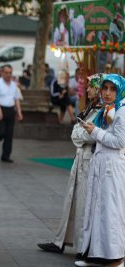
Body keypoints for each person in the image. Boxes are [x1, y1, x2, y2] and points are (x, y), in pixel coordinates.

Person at [37, 73, 105, 255]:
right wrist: (79, 134)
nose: (88, 89)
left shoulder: (103, 111)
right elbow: (77, 132)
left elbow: (88, 135)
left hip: (89, 162)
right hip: (80, 159)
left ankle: (83, 247)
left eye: (92, 86)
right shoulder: (91, 107)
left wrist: (80, 134)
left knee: (84, 205)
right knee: (72, 202)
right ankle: (61, 241)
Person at [75, 74, 125, 267]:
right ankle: (94, 254)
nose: (108, 93)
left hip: (112, 167)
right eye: (105, 88)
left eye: (113, 89)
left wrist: (94, 131)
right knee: (95, 209)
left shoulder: (121, 111)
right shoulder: (106, 110)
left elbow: (119, 141)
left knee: (111, 211)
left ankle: (116, 257)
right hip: (101, 164)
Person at [0, 64, 23, 163]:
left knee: (9, 135)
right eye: (6, 72)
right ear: (2, 72)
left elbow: (17, 99)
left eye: (10, 73)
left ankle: (6, 156)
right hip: (0, 108)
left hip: (10, 110)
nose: (8, 75)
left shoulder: (14, 84)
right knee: (0, 133)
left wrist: (19, 112)